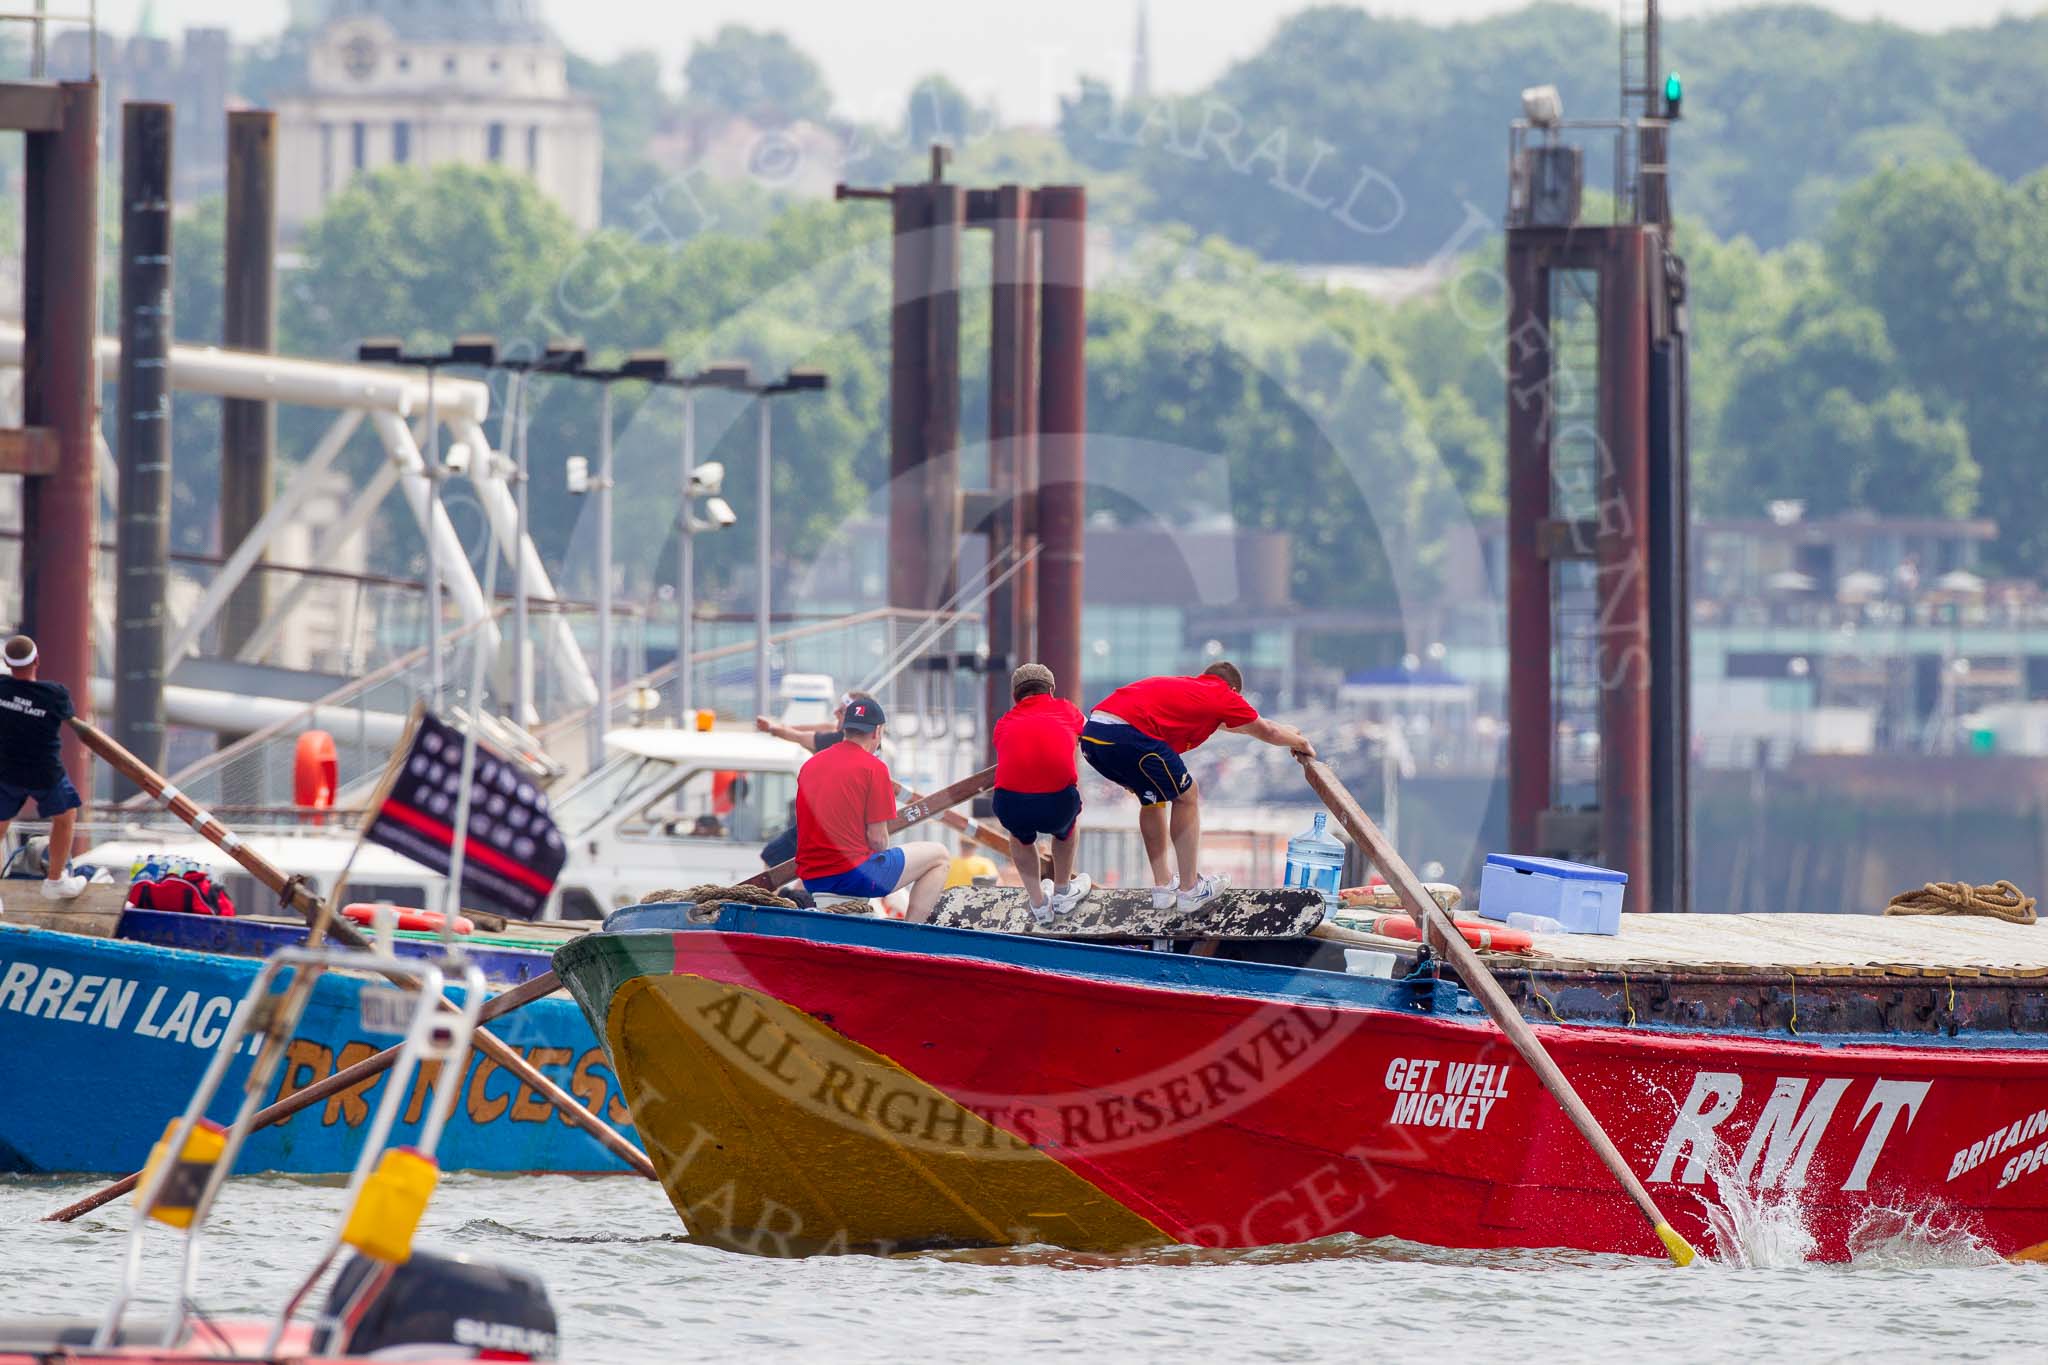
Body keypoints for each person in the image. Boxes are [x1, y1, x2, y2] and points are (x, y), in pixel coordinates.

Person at [1081, 661, 1314, 911]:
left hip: (1094, 736)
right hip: (1129, 733)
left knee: (1153, 798)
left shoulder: (1191, 689)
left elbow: (1244, 727)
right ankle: (1190, 889)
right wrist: (1301, 742)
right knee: (1187, 796)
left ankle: (1163, 887)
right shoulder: (1223, 694)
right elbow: (1267, 730)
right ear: (1235, 690)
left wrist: (1287, 731)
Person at [793, 696, 952, 921]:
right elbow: (878, 840)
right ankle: (912, 937)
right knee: (940, 856)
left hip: (812, 877)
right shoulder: (874, 768)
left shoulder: (810, 765)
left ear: (844, 728)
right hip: (852, 875)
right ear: (877, 731)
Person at [991, 663, 1091, 924]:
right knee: (1067, 828)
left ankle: (1037, 902)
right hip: (1057, 802)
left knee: (1020, 837)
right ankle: (1061, 891)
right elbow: (1089, 732)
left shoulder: (1003, 723)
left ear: (1016, 695)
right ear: (1051, 689)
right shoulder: (1067, 710)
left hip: (1010, 804)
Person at [0, 635, 87, 901]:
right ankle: (55, 880)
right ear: (37, 660)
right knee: (65, 817)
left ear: (6, 663)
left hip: (5, 771)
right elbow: (67, 714)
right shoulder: (55, 694)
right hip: (45, 773)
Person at [756, 691, 879, 754]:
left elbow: (798, 737)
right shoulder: (871, 738)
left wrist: (771, 728)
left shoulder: (839, 741)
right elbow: (826, 726)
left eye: (841, 711)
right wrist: (782, 726)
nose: (835, 713)